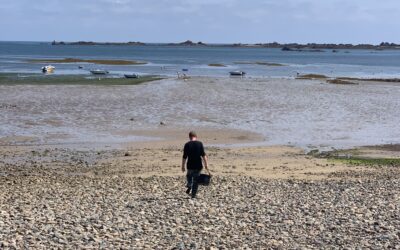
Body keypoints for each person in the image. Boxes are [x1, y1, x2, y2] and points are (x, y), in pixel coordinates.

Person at [182, 131, 209, 198]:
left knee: (189, 176)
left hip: (190, 165)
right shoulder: (200, 144)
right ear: (196, 137)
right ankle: (193, 195)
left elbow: (184, 157)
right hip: (198, 165)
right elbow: (203, 155)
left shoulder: (187, 145)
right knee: (196, 180)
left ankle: (189, 184)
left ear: (189, 137)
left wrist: (183, 166)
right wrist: (206, 165)